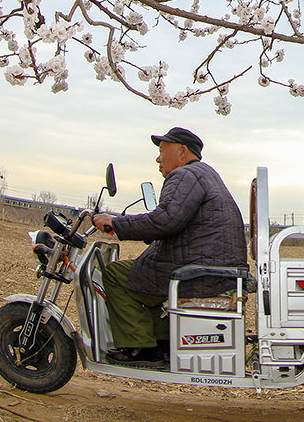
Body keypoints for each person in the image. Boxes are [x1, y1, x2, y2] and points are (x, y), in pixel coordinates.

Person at [90, 127, 246, 362]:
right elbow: (175, 221)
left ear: (182, 152)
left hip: (198, 275)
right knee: (143, 277)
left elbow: (165, 220)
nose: (158, 159)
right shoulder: (205, 174)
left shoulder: (184, 175)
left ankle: (140, 347)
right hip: (212, 271)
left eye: (162, 151)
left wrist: (116, 223)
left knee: (115, 275)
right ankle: (164, 342)